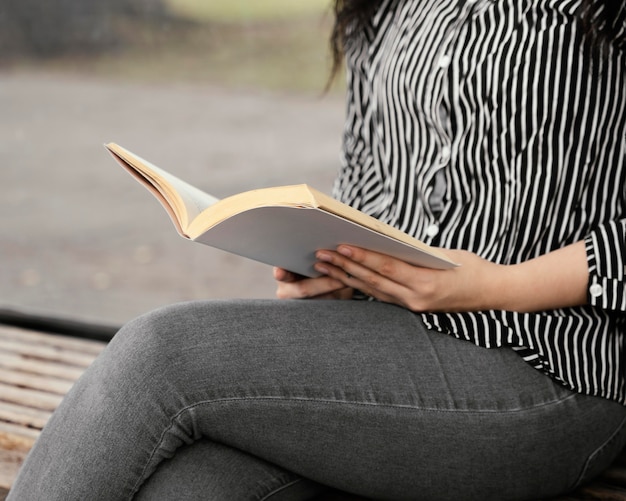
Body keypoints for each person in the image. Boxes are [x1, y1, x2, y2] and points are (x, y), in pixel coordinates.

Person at [8, 1, 626, 499]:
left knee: (159, 354)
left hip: (551, 368)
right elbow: (370, 184)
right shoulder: (379, 8)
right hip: (390, 346)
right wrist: (335, 268)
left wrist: (492, 285)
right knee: (190, 488)